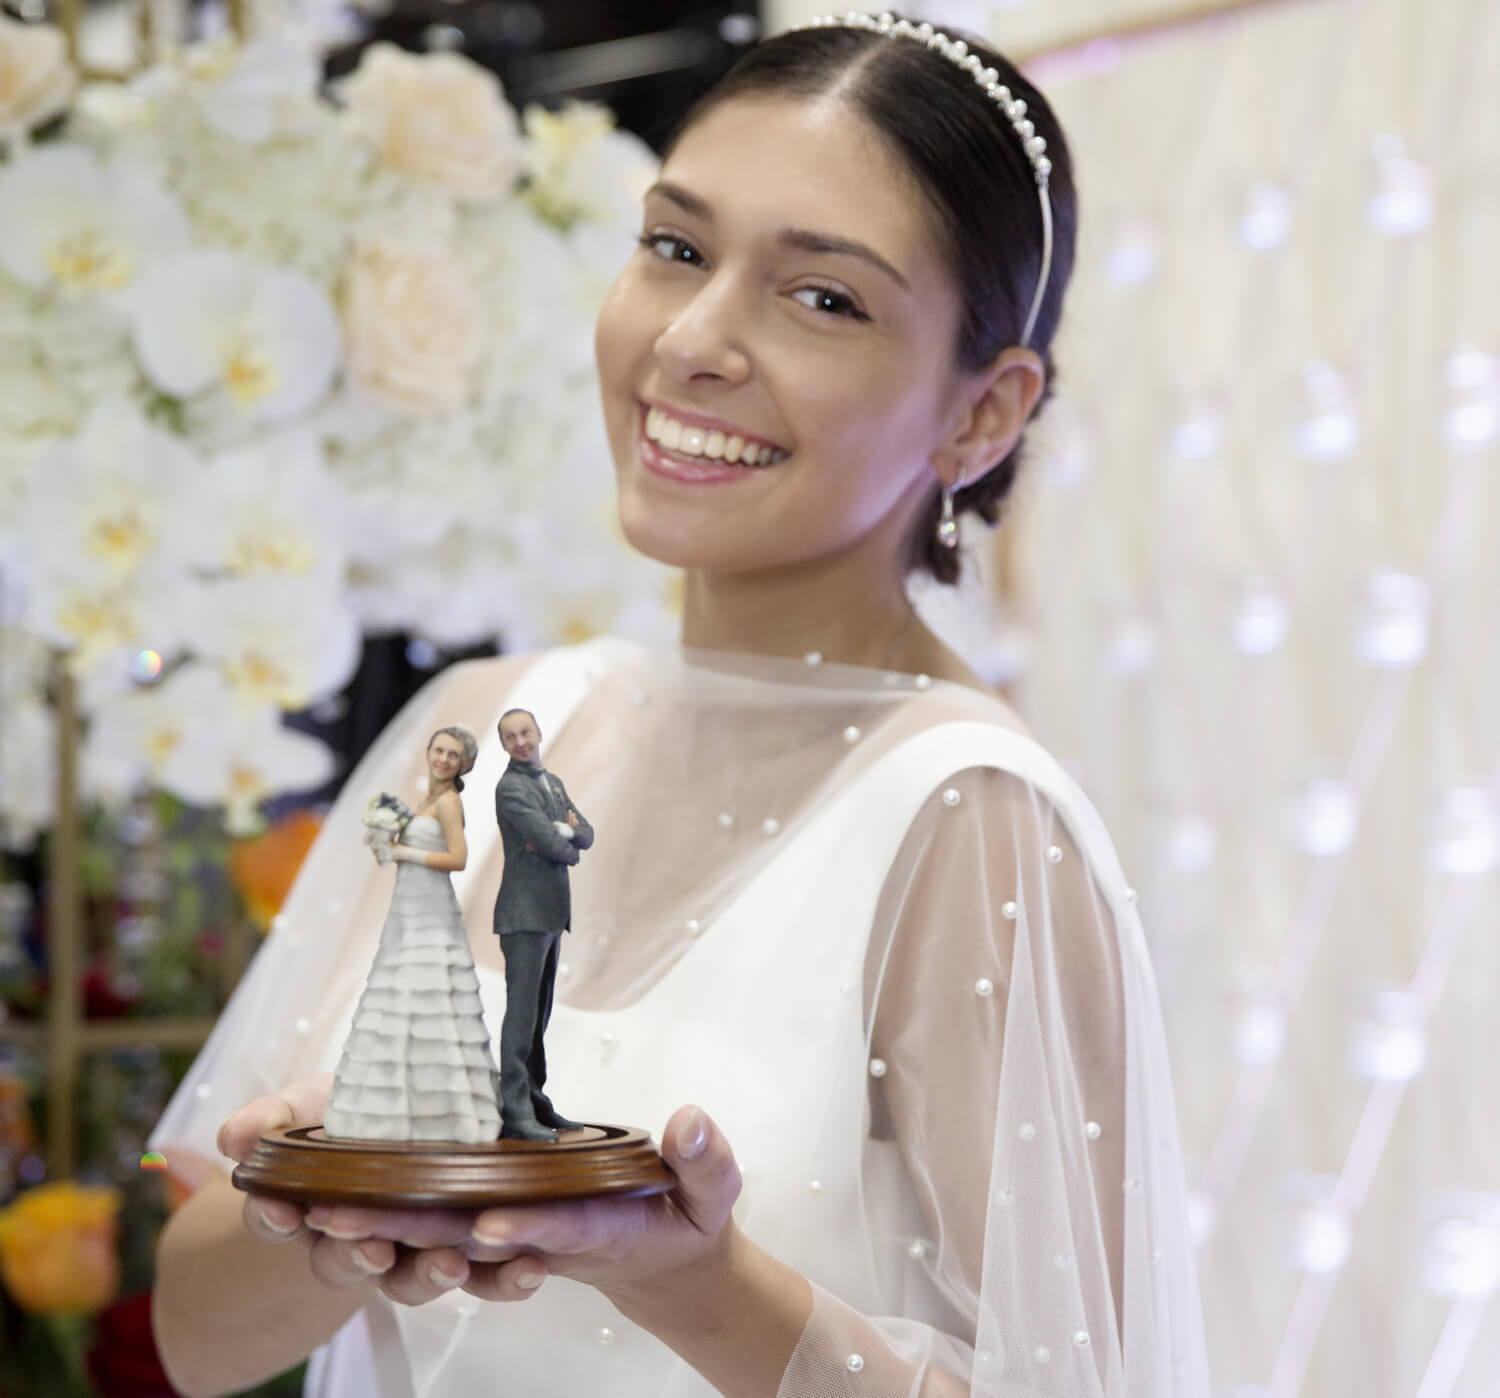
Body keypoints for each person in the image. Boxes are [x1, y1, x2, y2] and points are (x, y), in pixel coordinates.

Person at [149, 13, 1211, 1398]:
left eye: (823, 297)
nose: (697, 340)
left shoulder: (964, 815)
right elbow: (196, 1338)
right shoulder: (477, 722)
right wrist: (345, 1211)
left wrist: (693, 1280)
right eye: (677, 248)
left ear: (982, 414)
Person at [321, 725, 502, 1144]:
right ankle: (393, 1106)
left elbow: (458, 858)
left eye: (452, 755)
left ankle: (443, 1110)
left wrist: (406, 852)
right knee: (397, 984)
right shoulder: (426, 799)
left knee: (429, 985)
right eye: (438, 750)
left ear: (463, 765)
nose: (442, 759)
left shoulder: (450, 802)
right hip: (407, 901)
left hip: (430, 902)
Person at [491, 707, 593, 1140]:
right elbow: (556, 843)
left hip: (551, 913)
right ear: (503, 745)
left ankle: (536, 1101)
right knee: (521, 1016)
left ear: (538, 732)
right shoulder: (510, 788)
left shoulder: (553, 783)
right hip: (524, 913)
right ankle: (514, 1111)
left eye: (525, 732)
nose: (520, 741)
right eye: (511, 736)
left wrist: (568, 835)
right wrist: (563, 839)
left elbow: (585, 832)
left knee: (540, 1015)